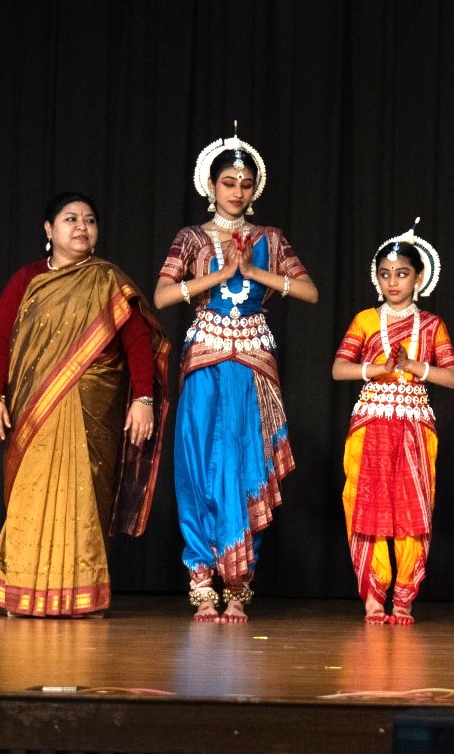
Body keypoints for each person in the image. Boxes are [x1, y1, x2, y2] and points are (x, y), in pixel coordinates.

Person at [153, 127, 318, 622]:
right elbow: (161, 296)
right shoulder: (191, 238)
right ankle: (203, 581)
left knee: (249, 462)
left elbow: (309, 292)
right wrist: (221, 276)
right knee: (200, 465)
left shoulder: (271, 239)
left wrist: (255, 272)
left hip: (253, 361)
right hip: (205, 358)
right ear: (211, 185)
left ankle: (241, 582)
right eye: (228, 182)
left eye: (245, 184)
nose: (237, 192)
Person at [0, 192, 168, 616]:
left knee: (85, 497)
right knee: (30, 495)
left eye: (89, 220)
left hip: (93, 409)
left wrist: (142, 399)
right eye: (70, 219)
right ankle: (20, 593)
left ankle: (83, 596)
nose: (81, 227)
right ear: (49, 230)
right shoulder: (26, 279)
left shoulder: (108, 280)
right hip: (34, 408)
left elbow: (137, 342)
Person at [332, 222, 454, 625]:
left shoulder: (432, 325)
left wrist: (411, 366)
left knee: (412, 510)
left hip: (414, 424)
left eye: (401, 274)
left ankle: (403, 596)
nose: (393, 282)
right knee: (365, 506)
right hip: (371, 421)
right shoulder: (366, 320)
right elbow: (338, 369)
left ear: (418, 278)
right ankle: (372, 595)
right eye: (385, 274)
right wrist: (376, 368)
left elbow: (452, 377)